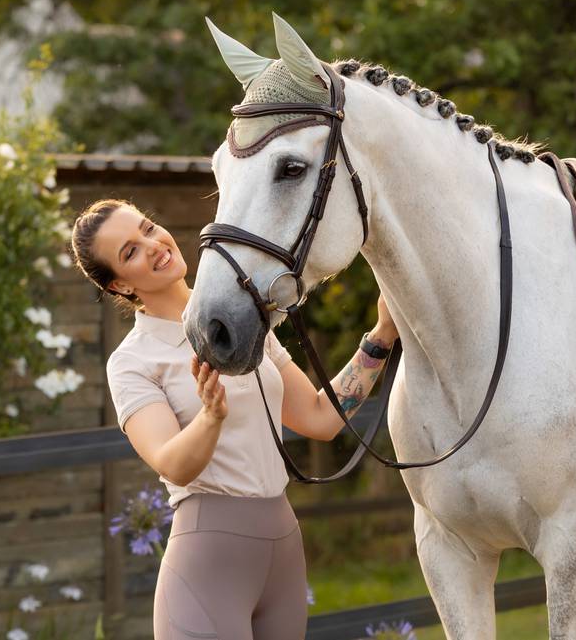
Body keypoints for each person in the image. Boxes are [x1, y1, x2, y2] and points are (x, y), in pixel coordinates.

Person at [69, 198, 398, 639]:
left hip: (284, 544)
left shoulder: (245, 319)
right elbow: (172, 463)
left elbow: (320, 419)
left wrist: (380, 337)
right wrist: (211, 416)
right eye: (130, 252)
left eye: (148, 228)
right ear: (118, 287)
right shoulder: (132, 362)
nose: (152, 245)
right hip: (209, 561)